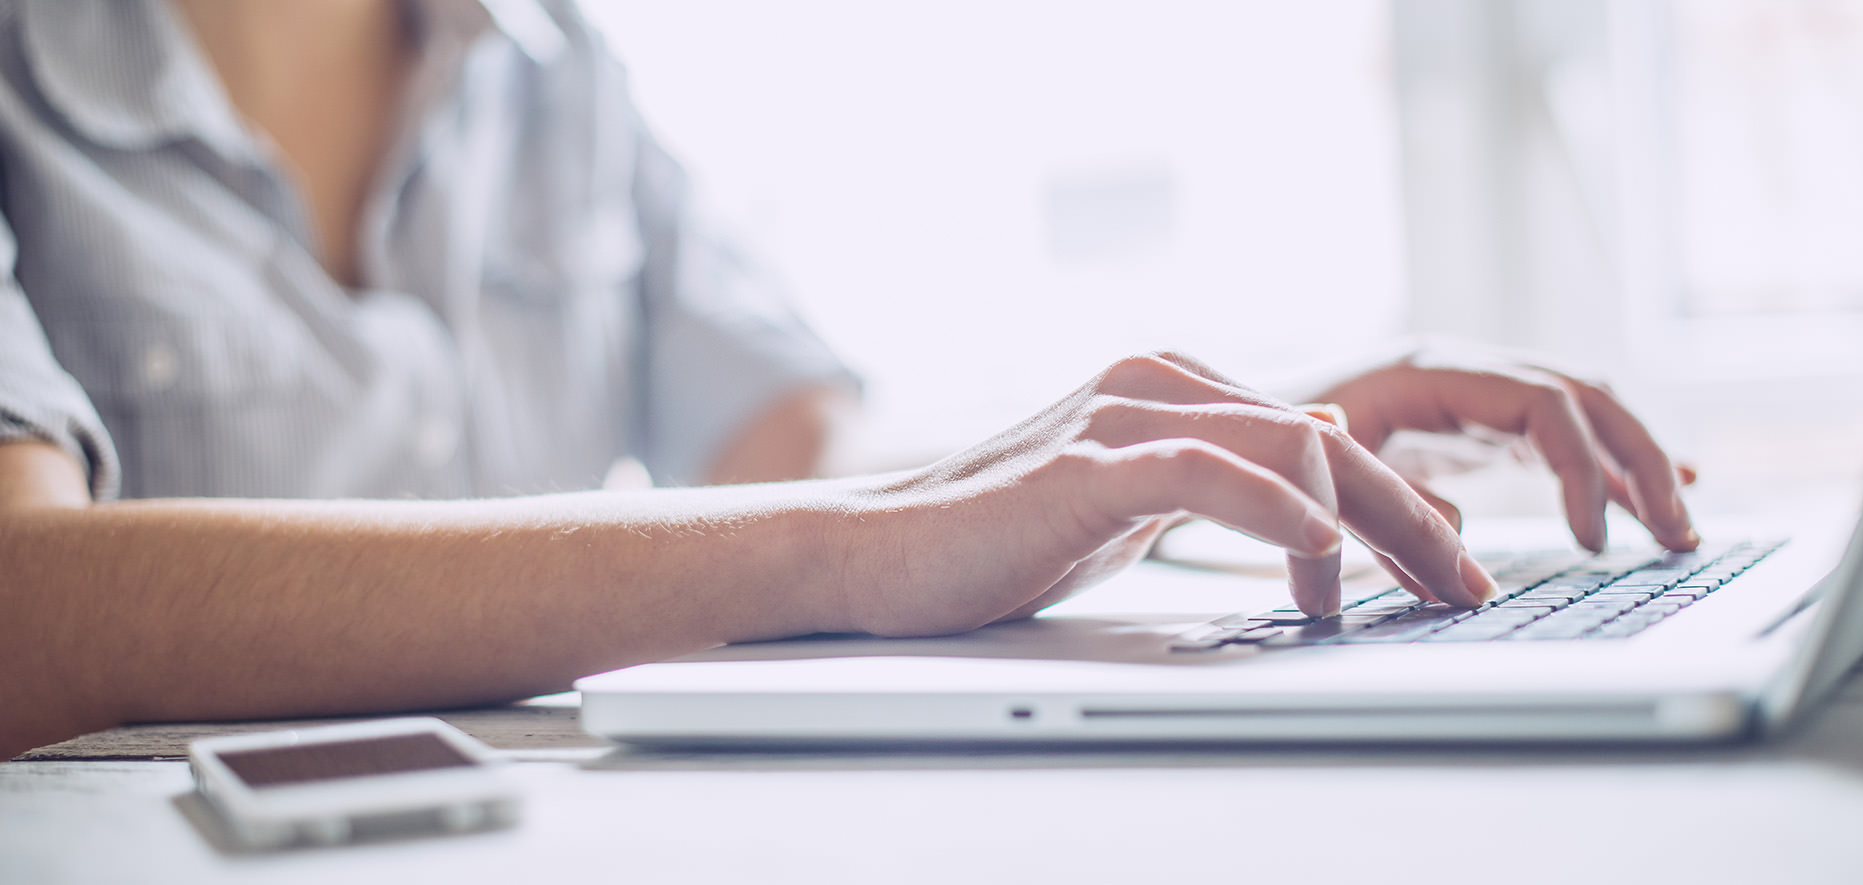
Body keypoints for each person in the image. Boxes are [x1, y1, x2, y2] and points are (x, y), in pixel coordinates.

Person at [0, 0, 1700, 759]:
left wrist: (1196, 448)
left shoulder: (552, 65)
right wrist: (845, 543)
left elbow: (817, 452)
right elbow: (20, 602)